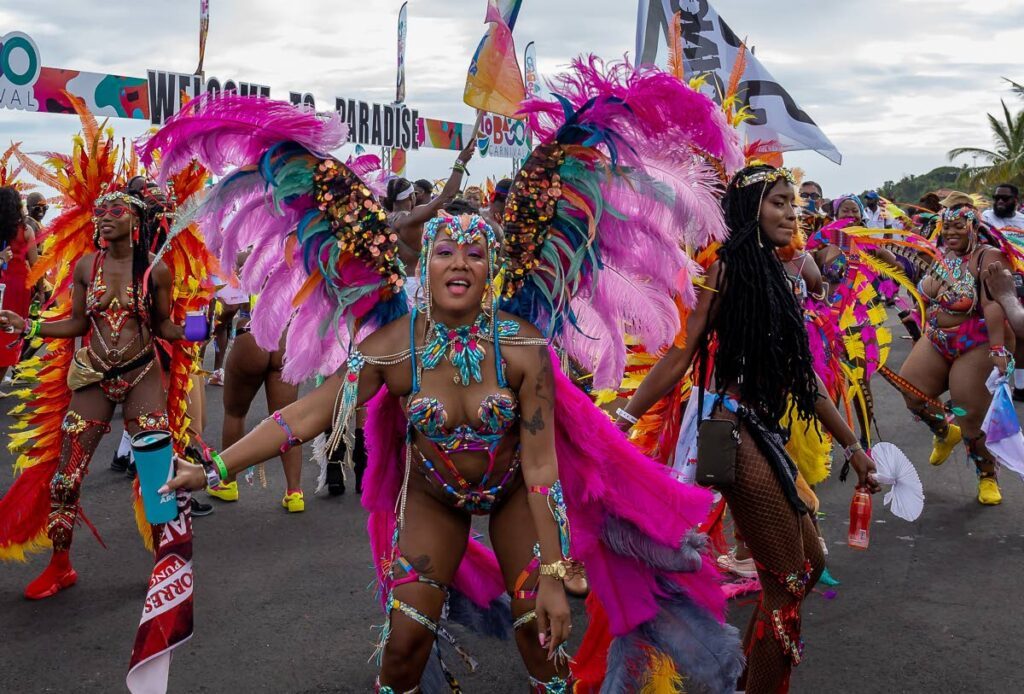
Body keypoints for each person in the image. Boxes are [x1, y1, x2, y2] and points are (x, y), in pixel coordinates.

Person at [150, 66, 747, 693]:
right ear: (426, 265)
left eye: (474, 253)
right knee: (404, 645)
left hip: (515, 492)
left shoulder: (521, 348)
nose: (459, 262)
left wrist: (553, 569)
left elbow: (541, 468)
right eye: (444, 252)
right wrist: (215, 468)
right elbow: (310, 413)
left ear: (492, 267)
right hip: (433, 497)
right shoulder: (393, 346)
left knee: (540, 643)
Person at [618, 165, 879, 694]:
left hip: (764, 433)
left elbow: (804, 381)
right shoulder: (729, 269)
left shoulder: (775, 274)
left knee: (810, 563)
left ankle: (742, 679)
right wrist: (621, 419)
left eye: (794, 205)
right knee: (786, 581)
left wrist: (853, 448)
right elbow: (681, 353)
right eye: (779, 202)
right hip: (730, 433)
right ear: (750, 207)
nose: (792, 213)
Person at [0, 184, 185, 598]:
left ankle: (165, 563)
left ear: (135, 219)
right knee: (66, 478)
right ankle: (60, 566)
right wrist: (29, 326)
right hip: (95, 376)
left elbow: (162, 326)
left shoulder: (156, 270)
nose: (103, 217)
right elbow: (78, 324)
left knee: (157, 476)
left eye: (114, 210)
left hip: (142, 377)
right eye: (100, 211)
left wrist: (192, 328)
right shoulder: (87, 266)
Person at [899, 205, 1011, 505]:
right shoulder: (943, 255)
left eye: (958, 226)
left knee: (970, 415)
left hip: (975, 342)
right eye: (946, 227)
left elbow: (993, 305)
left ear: (974, 226)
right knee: (911, 391)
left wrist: (999, 350)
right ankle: (943, 431)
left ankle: (987, 474)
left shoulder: (988, 257)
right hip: (938, 337)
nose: (950, 232)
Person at [206, 290, 304, 512]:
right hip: (285, 337)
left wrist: (219, 325)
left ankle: (228, 482)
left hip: (251, 334)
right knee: (286, 418)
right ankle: (294, 492)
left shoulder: (241, 259)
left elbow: (229, 308)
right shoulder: (293, 258)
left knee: (235, 413)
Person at [0, 187, 38, 386]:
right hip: (19, 286)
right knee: (12, 331)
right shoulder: (26, 230)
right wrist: (42, 288)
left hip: (2, 283)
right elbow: (35, 263)